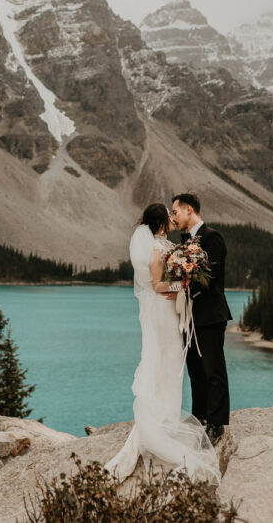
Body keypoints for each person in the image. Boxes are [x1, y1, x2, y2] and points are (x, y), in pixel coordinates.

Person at [104, 203, 220, 483]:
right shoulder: (156, 247)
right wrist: (182, 284)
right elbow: (157, 284)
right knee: (164, 359)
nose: (172, 218)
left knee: (171, 359)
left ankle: (167, 414)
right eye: (169, 215)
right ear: (160, 221)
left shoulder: (163, 243)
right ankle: (161, 420)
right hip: (161, 309)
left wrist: (184, 275)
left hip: (167, 309)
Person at [171, 193, 232, 446]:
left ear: (188, 210)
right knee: (195, 370)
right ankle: (200, 418)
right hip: (191, 316)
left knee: (213, 370)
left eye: (175, 212)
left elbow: (213, 276)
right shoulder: (184, 241)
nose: (173, 218)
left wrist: (188, 287)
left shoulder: (212, 237)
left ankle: (217, 424)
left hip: (209, 315)